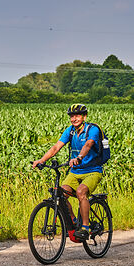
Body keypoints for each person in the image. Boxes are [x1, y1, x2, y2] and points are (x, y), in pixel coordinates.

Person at [31, 103, 102, 240]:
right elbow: (56, 147)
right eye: (72, 116)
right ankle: (74, 220)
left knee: (81, 192)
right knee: (60, 195)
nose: (74, 119)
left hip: (93, 170)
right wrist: (42, 160)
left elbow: (88, 144)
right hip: (75, 172)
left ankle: (85, 227)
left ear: (84, 116)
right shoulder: (70, 131)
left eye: (77, 116)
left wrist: (79, 157)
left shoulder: (92, 129)